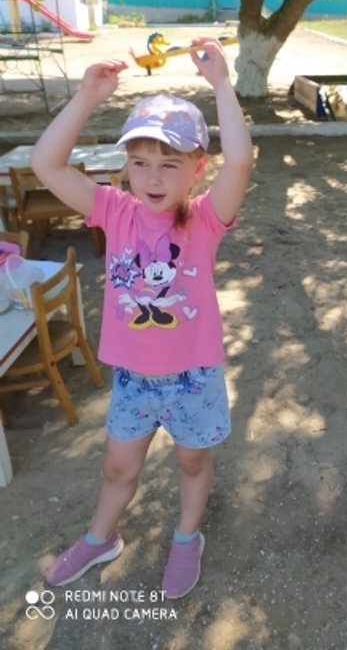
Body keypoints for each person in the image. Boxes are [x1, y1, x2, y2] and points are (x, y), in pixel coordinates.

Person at [31, 38, 253, 597]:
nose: (153, 179)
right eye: (140, 163)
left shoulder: (206, 219)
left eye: (169, 165)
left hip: (193, 378)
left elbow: (241, 160)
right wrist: (86, 97)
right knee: (117, 468)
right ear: (125, 166)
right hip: (132, 378)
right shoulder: (113, 209)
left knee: (192, 464)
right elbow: (45, 164)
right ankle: (100, 538)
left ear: (197, 169)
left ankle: (186, 537)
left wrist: (222, 85)